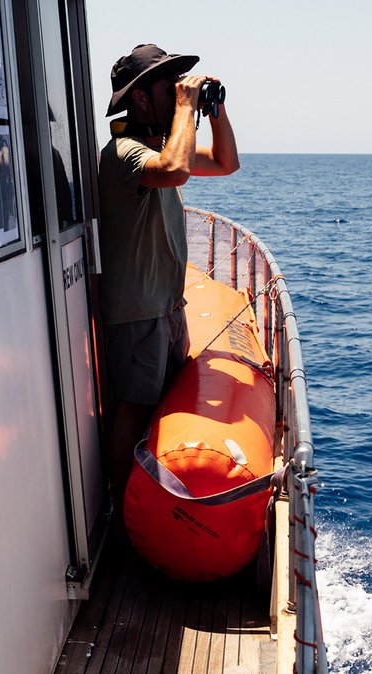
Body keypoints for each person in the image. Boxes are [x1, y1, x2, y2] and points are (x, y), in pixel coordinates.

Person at [98, 43, 240, 503]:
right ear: (140, 99)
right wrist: (186, 106)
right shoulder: (123, 153)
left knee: (159, 410)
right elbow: (176, 170)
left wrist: (214, 111)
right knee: (133, 411)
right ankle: (122, 510)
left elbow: (225, 163)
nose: (179, 94)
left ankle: (153, 506)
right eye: (168, 88)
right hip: (137, 314)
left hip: (166, 308)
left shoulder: (160, 149)